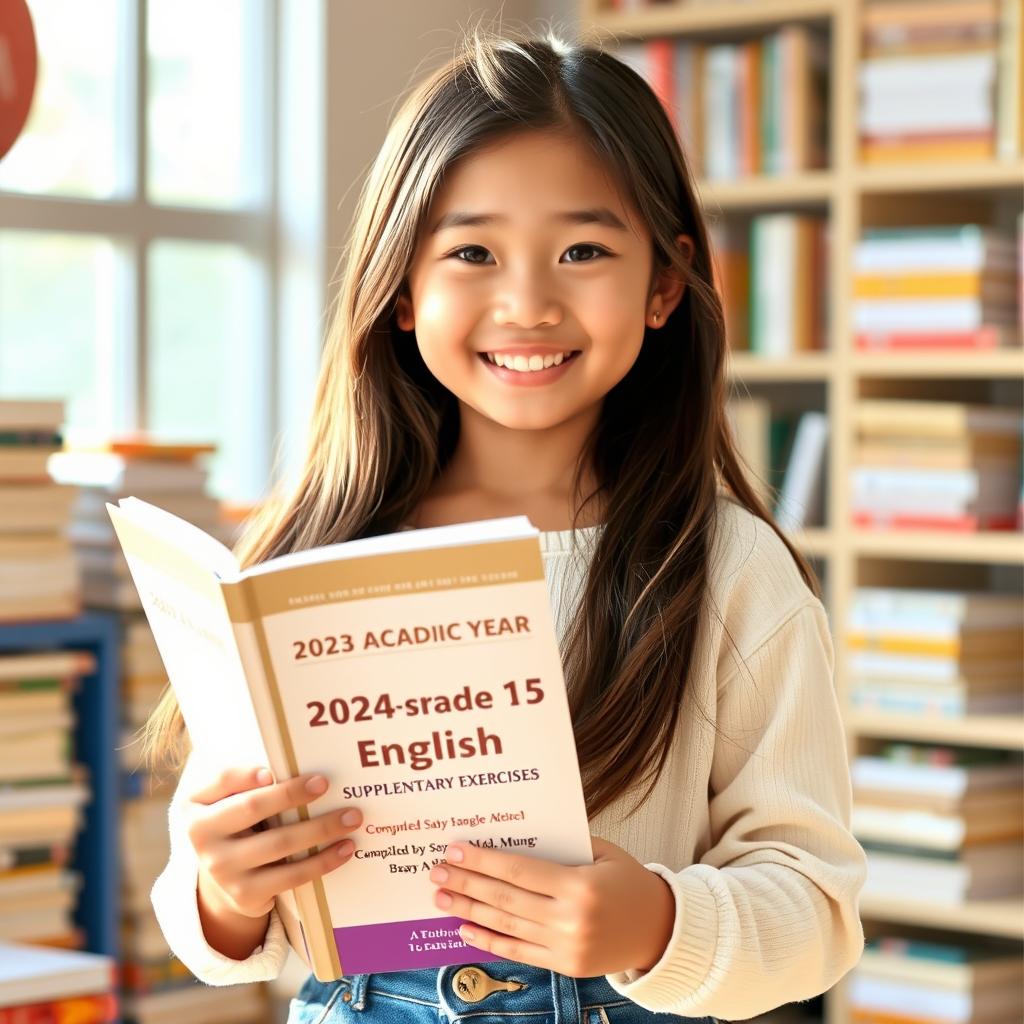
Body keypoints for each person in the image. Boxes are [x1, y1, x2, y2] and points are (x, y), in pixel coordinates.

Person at [142, 23, 867, 1024]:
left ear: (663, 283)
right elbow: (223, 916)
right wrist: (224, 890)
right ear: (401, 287)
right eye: (473, 252)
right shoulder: (307, 558)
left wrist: (655, 922)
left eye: (582, 250)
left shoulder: (725, 569)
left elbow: (818, 908)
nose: (526, 303)